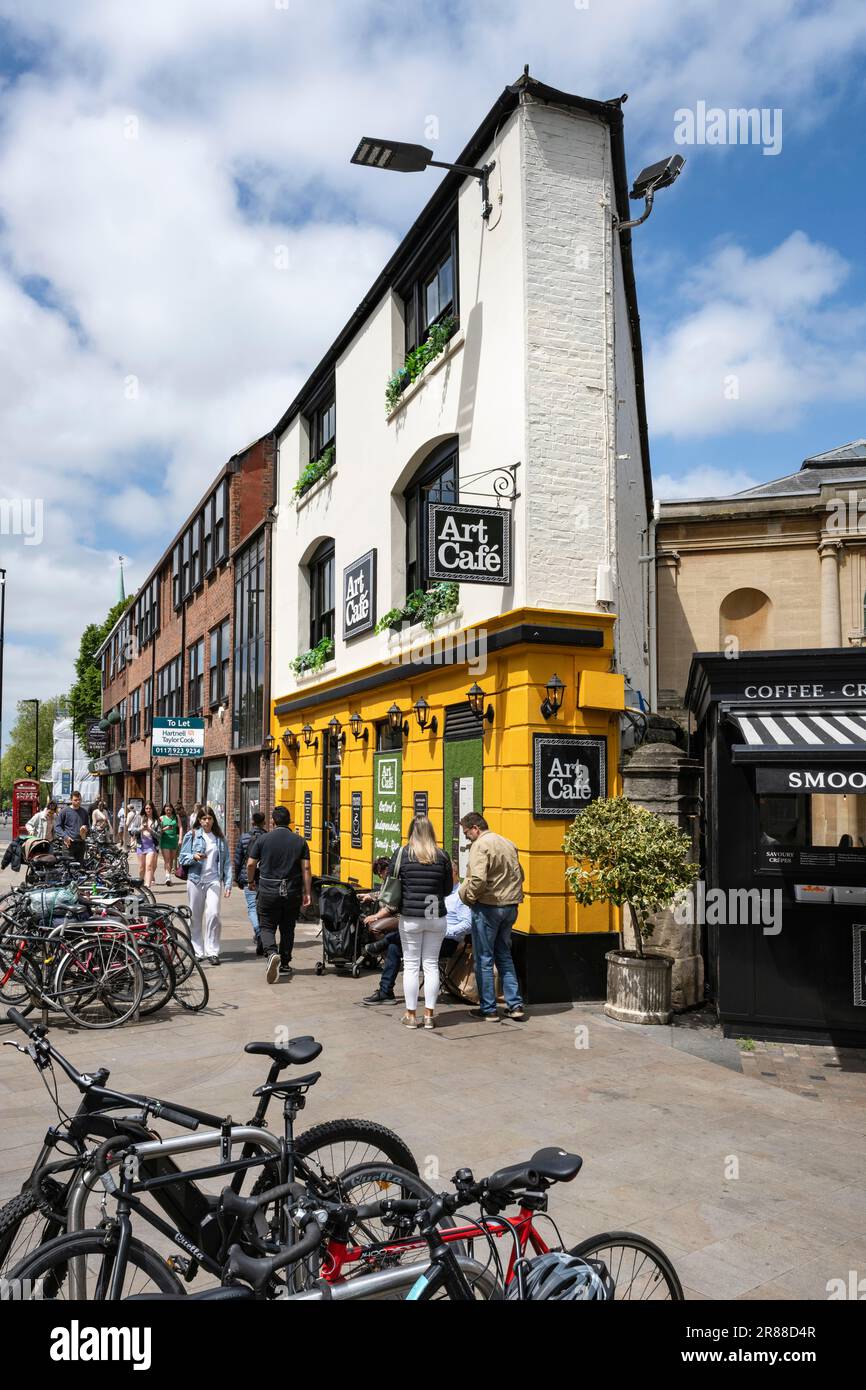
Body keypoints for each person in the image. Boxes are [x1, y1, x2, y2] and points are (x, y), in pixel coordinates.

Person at [365, 816, 452, 1030]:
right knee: (431, 965)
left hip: (411, 917)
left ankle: (411, 1015)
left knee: (412, 965)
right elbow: (448, 888)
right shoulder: (442, 856)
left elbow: (393, 883)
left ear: (411, 831)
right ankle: (430, 1015)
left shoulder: (403, 853)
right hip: (436, 917)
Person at [458, 812, 525, 1022]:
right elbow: (520, 874)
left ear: (476, 828)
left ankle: (489, 1009)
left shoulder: (480, 845)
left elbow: (477, 879)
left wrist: (468, 897)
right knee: (504, 955)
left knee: (484, 959)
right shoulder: (508, 843)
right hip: (510, 906)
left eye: (467, 832)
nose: (467, 837)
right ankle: (515, 1005)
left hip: (488, 907)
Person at [248, 807, 311, 983]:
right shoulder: (299, 841)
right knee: (288, 927)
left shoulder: (263, 839)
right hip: (291, 891)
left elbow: (251, 864)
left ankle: (271, 953)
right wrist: (307, 891)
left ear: (273, 822)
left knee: (267, 925)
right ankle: (284, 962)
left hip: (268, 889)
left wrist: (251, 881)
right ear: (289, 821)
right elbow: (306, 868)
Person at [178, 805, 233, 963]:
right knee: (195, 917)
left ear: (214, 820)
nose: (207, 821)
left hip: (213, 880)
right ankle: (197, 950)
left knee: (213, 914)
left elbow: (227, 863)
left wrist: (228, 884)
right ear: (199, 820)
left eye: (209, 818)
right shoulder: (192, 835)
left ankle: (212, 951)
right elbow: (182, 858)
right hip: (195, 880)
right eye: (203, 819)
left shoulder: (220, 839)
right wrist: (194, 857)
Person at [362, 856, 402, 1006]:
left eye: (380, 873)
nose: (380, 876)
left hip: (399, 917)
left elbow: (391, 906)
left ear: (386, 869)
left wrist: (375, 916)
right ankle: (386, 991)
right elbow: (384, 894)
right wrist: (370, 896)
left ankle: (381, 949)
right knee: (393, 947)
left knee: (375, 926)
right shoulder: (388, 879)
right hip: (405, 921)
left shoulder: (395, 878)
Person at [234, 811, 267, 955]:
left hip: (248, 876)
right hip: (265, 878)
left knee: (252, 907)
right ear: (264, 822)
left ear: (252, 821)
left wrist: (236, 877)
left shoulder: (244, 837)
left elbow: (238, 859)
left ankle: (259, 932)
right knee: (262, 908)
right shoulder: (267, 837)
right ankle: (261, 934)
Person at [56, 791, 90, 865]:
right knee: (68, 868)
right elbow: (57, 827)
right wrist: (65, 836)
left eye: (79, 800)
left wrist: (85, 829)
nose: (78, 802)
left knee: (79, 869)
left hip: (81, 844)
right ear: (71, 800)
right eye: (75, 800)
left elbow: (88, 826)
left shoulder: (84, 812)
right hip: (69, 844)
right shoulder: (64, 811)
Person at [134, 801, 161, 889]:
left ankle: (147, 886)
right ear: (144, 809)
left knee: (149, 866)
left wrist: (150, 830)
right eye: (146, 808)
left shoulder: (156, 821)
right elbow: (132, 831)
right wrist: (141, 829)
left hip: (151, 846)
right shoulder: (139, 818)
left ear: (152, 809)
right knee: (142, 868)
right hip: (141, 846)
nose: (148, 810)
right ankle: (140, 884)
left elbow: (159, 836)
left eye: (149, 808)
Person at [159, 803, 180, 885]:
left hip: (174, 840)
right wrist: (166, 828)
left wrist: (180, 838)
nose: (168, 811)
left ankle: (169, 876)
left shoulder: (176, 817)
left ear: (172, 809)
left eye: (170, 809)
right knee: (167, 860)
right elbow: (158, 831)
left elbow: (180, 827)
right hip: (165, 840)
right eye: (167, 810)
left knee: (172, 859)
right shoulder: (161, 818)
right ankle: (167, 877)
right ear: (164, 810)